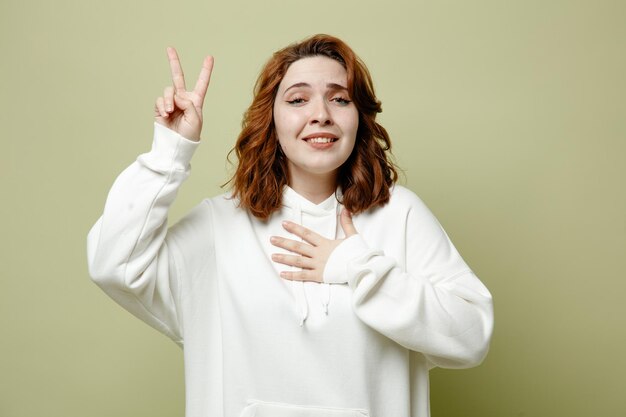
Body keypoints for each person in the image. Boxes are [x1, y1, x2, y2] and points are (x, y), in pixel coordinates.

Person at [87, 34, 493, 417]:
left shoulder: (398, 214)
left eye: (340, 99)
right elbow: (115, 264)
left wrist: (356, 266)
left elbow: (471, 335)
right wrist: (170, 152)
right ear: (272, 120)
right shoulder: (220, 225)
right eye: (298, 99)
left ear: (359, 119)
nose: (321, 115)